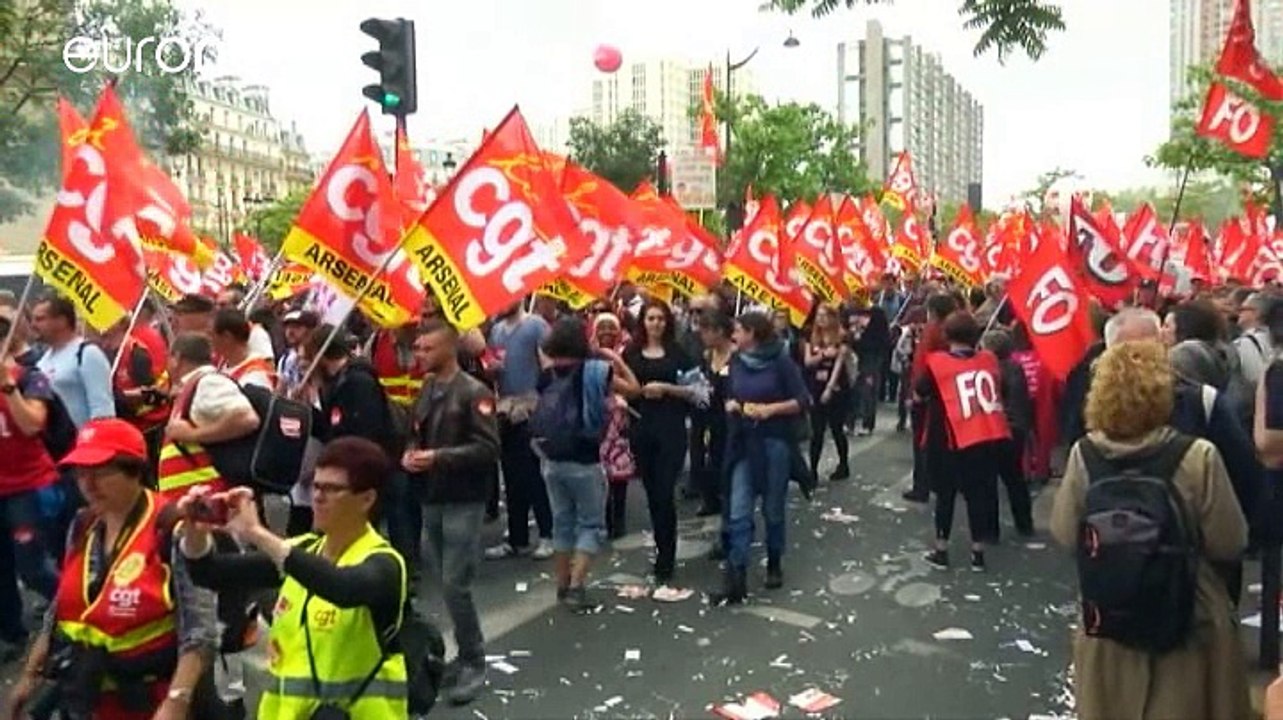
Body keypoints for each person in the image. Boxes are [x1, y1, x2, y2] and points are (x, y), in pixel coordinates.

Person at [1051, 341, 1250, 720]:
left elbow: (1064, 532)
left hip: (1112, 614)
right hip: (1187, 615)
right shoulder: (1198, 455)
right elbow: (1230, 541)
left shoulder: (1085, 454)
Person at [181, 437, 410, 718]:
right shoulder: (302, 550)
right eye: (315, 486)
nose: (317, 497)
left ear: (367, 499)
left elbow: (342, 587)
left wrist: (257, 533)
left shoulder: (384, 563)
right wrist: (196, 530)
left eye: (332, 489)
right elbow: (209, 572)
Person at [6, 419, 218, 720]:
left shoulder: (173, 528)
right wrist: (30, 674)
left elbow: (201, 630)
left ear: (134, 471)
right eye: (81, 474)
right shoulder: (83, 525)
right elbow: (61, 608)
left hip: (149, 700)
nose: (88, 485)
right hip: (87, 693)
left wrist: (176, 703)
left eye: (101, 473)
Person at [401, 319, 500, 705]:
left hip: (463, 498)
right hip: (432, 496)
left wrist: (438, 458)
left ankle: (475, 660)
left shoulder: (474, 392)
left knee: (456, 584)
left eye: (426, 348)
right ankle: (463, 654)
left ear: (447, 349)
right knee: (443, 581)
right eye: (419, 348)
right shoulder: (427, 388)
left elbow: (489, 448)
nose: (419, 355)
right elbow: (417, 429)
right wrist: (411, 452)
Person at [532, 317, 639, 612]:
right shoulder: (596, 371)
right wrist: (614, 357)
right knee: (590, 523)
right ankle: (578, 586)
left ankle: (561, 584)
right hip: (584, 456)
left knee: (562, 523)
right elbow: (633, 388)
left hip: (551, 458)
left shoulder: (547, 374)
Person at [712, 312, 808, 605]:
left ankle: (775, 560)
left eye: (738, 330)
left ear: (752, 333)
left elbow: (802, 400)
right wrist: (732, 404)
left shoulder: (781, 362)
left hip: (774, 443)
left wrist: (769, 410)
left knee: (772, 507)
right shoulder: (737, 361)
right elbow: (730, 392)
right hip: (744, 441)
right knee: (739, 508)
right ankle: (736, 573)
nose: (734, 336)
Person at [916, 311, 1009, 572]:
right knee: (977, 495)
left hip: (946, 439)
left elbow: (920, 392)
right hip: (982, 436)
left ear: (947, 335)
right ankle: (978, 552)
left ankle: (941, 548)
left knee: (944, 495)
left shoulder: (937, 365)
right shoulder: (989, 360)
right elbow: (1003, 392)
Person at [624, 300, 699, 584]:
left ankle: (666, 557)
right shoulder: (630, 353)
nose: (655, 323)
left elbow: (698, 391)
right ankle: (660, 545)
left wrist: (667, 388)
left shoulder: (678, 353)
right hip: (641, 429)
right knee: (652, 493)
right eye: (650, 318)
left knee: (665, 493)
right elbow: (619, 382)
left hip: (671, 429)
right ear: (642, 321)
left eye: (660, 319)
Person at [0, 318, 62, 658]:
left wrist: (8, 388)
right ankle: (12, 634)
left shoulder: (31, 378)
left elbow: (32, 425)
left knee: (33, 567)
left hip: (28, 486)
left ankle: (72, 613)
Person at [485, 300, 555, 561]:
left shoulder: (536, 326)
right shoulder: (496, 330)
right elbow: (491, 362)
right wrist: (492, 371)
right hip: (504, 409)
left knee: (534, 475)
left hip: (530, 409)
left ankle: (548, 535)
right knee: (511, 476)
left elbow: (548, 368)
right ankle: (517, 538)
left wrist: (536, 401)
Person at [157, 334, 260, 503]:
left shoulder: (208, 382)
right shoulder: (191, 387)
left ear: (177, 358)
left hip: (210, 502)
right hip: (194, 504)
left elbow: (247, 418)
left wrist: (192, 435)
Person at [31, 294, 115, 428]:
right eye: (33, 319)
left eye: (40, 319)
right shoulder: (41, 362)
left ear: (62, 321)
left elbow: (103, 410)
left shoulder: (87, 353)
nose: (33, 325)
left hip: (84, 443)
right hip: (56, 445)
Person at [980, 328, 1034, 537]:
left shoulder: (989, 370)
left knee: (989, 481)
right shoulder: (1016, 368)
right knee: (1015, 479)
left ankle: (990, 529)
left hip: (997, 427)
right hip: (1017, 428)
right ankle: (1024, 523)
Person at [903, 293, 956, 502]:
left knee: (921, 440)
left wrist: (915, 390)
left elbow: (922, 362)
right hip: (946, 391)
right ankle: (937, 481)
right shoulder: (951, 330)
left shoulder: (932, 330)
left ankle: (921, 485)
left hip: (926, 392)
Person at [803, 305, 853, 480]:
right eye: (818, 315)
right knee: (817, 430)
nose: (821, 319)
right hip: (815, 384)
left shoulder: (842, 336)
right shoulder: (811, 335)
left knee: (836, 427)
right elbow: (808, 361)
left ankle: (844, 464)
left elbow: (840, 363)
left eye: (825, 315)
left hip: (837, 386)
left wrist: (830, 388)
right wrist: (824, 354)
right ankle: (813, 469)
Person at [211, 309, 276, 391]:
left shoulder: (255, 376)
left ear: (227, 337)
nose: (209, 339)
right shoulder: (224, 364)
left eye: (211, 335)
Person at [853, 306, 892, 437]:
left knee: (867, 393)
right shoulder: (869, 331)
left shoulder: (874, 334)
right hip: (865, 362)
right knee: (862, 392)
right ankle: (859, 422)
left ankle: (867, 423)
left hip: (870, 363)